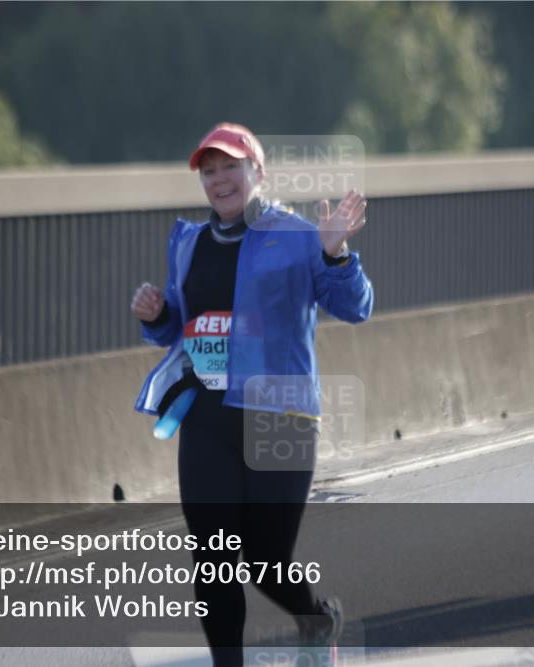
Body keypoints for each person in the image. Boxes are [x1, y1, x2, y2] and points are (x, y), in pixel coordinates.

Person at [132, 122, 373, 666]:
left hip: (280, 416)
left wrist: (335, 255)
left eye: (230, 167)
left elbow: (356, 306)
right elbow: (181, 327)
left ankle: (316, 618)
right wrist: (159, 314)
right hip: (207, 418)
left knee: (264, 557)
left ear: (256, 173)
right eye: (209, 170)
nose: (220, 180)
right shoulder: (189, 243)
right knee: (213, 556)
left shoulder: (295, 236)